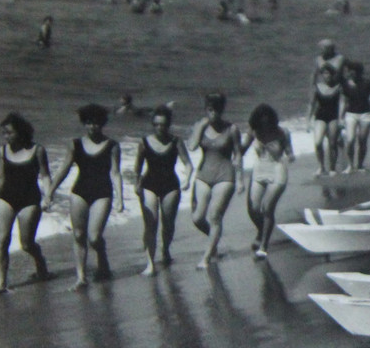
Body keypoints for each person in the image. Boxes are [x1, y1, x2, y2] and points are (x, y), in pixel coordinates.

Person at [47, 103, 123, 290]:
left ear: (102, 123)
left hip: (102, 193)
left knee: (94, 237)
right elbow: (63, 169)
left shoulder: (112, 146)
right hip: (80, 191)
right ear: (84, 123)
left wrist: (120, 197)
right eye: (88, 123)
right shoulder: (75, 144)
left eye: (96, 123)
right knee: (79, 234)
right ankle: (81, 277)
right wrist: (50, 192)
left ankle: (102, 260)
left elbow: (115, 173)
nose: (92, 127)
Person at [0, 112, 52, 293]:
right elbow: (0, 178)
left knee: (26, 243)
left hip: (29, 200)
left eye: (9, 133)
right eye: (4, 133)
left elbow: (45, 175)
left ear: (21, 132)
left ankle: (40, 263)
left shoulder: (37, 150)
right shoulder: (2, 151)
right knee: (1, 240)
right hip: (6, 198)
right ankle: (1, 283)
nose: (6, 136)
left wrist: (48, 196)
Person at [133, 105, 193, 275]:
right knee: (151, 223)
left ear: (169, 125)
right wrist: (136, 184)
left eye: (164, 125)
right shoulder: (144, 142)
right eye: (157, 124)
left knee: (168, 224)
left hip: (170, 186)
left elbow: (188, 164)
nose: (160, 128)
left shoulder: (176, 141)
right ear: (153, 124)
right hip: (149, 184)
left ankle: (165, 249)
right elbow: (137, 167)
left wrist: (187, 179)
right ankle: (150, 264)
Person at [189, 92, 242, 269]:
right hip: (203, 175)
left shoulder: (231, 129)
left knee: (214, 217)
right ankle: (214, 241)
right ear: (206, 110)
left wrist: (240, 179)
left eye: (217, 110)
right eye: (210, 110)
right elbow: (192, 146)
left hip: (225, 176)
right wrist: (200, 127)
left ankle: (206, 258)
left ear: (222, 110)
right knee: (197, 218)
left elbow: (238, 155)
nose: (213, 114)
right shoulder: (201, 126)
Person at [241, 104, 294, 257]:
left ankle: (263, 246)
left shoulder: (282, 132)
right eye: (262, 123)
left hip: (277, 169)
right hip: (259, 168)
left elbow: (290, 153)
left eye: (268, 123)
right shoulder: (253, 132)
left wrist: (290, 156)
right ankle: (262, 230)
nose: (265, 126)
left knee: (267, 207)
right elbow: (242, 149)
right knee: (253, 208)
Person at [307, 47, 345, 175]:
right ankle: (321, 166)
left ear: (333, 75)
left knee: (332, 143)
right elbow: (311, 105)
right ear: (322, 75)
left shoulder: (338, 87)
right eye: (324, 74)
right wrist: (307, 121)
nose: (327, 76)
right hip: (320, 117)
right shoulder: (317, 87)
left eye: (329, 74)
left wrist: (341, 119)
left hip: (333, 117)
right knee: (318, 142)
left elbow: (341, 103)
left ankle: (332, 168)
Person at [340, 60, 370, 172]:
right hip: (351, 114)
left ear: (358, 71)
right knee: (350, 139)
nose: (349, 73)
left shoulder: (368, 83)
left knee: (362, 139)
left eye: (351, 71)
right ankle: (350, 165)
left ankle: (360, 165)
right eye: (348, 71)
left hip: (366, 114)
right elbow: (343, 101)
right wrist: (340, 117)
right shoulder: (346, 85)